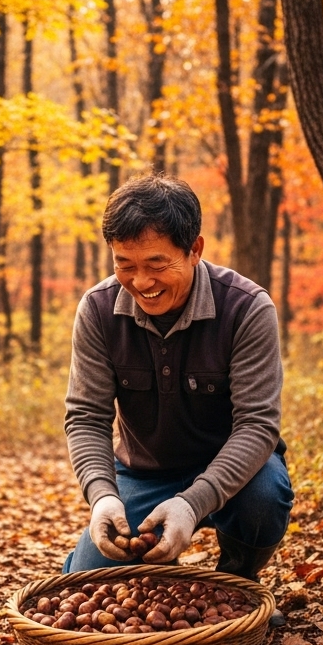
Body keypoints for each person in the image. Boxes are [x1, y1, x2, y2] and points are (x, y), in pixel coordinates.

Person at [62, 174, 293, 596]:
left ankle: (239, 582)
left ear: (195, 250)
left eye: (156, 264)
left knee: (266, 497)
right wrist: (101, 497)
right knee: (83, 586)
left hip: (237, 471)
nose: (141, 282)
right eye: (124, 264)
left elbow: (258, 425)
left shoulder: (247, 308)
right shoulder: (97, 310)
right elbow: (86, 417)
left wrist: (192, 502)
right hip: (142, 472)